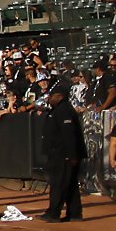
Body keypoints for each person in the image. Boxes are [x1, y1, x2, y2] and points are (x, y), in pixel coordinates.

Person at [41, 82, 86, 222]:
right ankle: (74, 213)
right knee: (71, 183)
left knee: (58, 183)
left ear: (60, 97)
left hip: (64, 154)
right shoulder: (58, 109)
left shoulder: (64, 110)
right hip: (61, 153)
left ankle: (53, 213)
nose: (49, 98)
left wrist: (71, 155)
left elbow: (69, 134)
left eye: (52, 96)